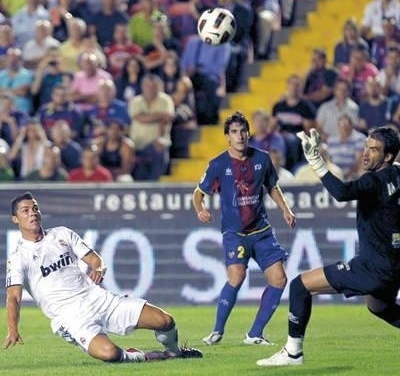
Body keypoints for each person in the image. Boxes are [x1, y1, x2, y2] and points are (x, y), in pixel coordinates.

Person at [257, 125, 400, 367]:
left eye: (374, 150)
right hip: (392, 267)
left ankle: (293, 353)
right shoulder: (396, 174)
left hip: (372, 268)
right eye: (365, 146)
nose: (365, 153)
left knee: (300, 286)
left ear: (387, 156)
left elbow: (342, 192)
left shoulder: (374, 181)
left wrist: (316, 161)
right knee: (378, 306)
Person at [3, 192, 203, 363]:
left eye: (35, 208)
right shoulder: (18, 257)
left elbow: (95, 259)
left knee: (165, 320)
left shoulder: (61, 234)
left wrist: (99, 267)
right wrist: (13, 329)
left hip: (97, 298)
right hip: (70, 317)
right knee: (110, 354)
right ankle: (142, 357)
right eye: (25, 210)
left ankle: (175, 353)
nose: (33, 214)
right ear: (15, 219)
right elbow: (13, 297)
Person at [192, 111, 296, 346]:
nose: (239, 136)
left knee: (279, 279)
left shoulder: (262, 158)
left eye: (243, 131)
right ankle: (217, 331)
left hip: (261, 231)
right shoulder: (218, 164)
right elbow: (198, 194)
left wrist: (285, 210)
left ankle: (254, 334)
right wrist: (200, 209)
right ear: (227, 137)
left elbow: (273, 187)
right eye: (234, 132)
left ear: (249, 133)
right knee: (237, 277)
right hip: (235, 233)